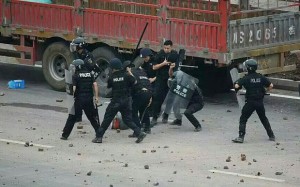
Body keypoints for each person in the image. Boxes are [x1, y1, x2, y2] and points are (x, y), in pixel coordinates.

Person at [93, 58, 147, 143]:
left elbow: (108, 86)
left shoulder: (112, 77)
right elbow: (135, 82)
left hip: (115, 101)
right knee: (128, 120)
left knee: (107, 119)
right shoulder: (127, 75)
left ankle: (99, 137)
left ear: (113, 67)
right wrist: (129, 72)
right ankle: (139, 133)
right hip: (126, 101)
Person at [232, 59, 275, 143]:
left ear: (248, 68)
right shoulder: (260, 77)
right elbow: (271, 85)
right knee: (263, 119)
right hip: (259, 102)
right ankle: (271, 135)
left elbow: (237, 86)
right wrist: (265, 91)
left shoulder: (246, 78)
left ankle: (241, 137)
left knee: (243, 118)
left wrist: (236, 82)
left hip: (250, 103)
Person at [61, 59, 101, 142]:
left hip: (79, 100)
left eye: (75, 67)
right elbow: (95, 84)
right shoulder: (90, 74)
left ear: (78, 66)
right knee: (92, 118)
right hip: (89, 99)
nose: (74, 68)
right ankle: (99, 133)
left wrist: (72, 97)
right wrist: (96, 97)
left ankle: (65, 135)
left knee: (71, 117)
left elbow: (74, 88)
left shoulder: (76, 75)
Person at [70, 37, 101, 122]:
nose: (74, 48)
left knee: (87, 97)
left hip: (89, 75)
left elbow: (90, 69)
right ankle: (78, 116)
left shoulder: (88, 57)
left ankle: (94, 115)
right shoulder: (77, 54)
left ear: (80, 46)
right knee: (78, 98)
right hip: (81, 76)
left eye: (75, 46)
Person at [168, 63, 204, 131]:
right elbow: (171, 76)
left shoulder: (189, 85)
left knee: (187, 112)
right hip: (189, 101)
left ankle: (198, 126)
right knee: (176, 104)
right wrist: (171, 68)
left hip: (197, 103)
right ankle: (178, 120)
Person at [151, 40, 178, 125]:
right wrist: (163, 63)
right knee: (157, 97)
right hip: (160, 78)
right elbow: (154, 67)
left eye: (168, 48)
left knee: (169, 99)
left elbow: (177, 67)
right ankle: (155, 117)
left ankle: (165, 116)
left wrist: (172, 67)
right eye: (165, 48)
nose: (166, 49)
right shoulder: (159, 54)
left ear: (171, 47)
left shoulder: (174, 55)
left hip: (170, 79)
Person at [123, 60, 152, 135]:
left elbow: (131, 87)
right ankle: (147, 128)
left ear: (127, 68)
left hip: (140, 93)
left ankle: (137, 131)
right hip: (148, 92)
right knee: (143, 109)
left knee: (133, 112)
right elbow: (147, 82)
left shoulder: (129, 74)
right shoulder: (142, 71)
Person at [140, 48, 156, 116]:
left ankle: (153, 112)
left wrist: (153, 79)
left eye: (146, 57)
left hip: (155, 80)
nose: (145, 59)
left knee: (154, 95)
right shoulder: (144, 63)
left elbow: (160, 74)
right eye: (143, 57)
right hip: (147, 81)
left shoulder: (155, 61)